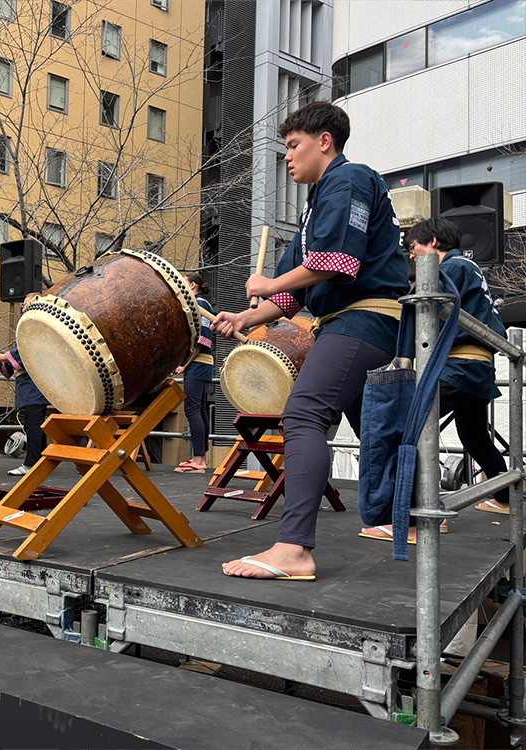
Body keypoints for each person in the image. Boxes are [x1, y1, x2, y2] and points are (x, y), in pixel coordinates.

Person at [212, 101, 409, 580]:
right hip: (348, 320)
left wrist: (265, 287)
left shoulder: (349, 179)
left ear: (325, 141)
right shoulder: (317, 204)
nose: (287, 157)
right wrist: (246, 315)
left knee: (303, 414)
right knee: (377, 432)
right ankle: (406, 519)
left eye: (294, 145)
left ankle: (295, 547)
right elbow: (292, 296)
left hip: (364, 319)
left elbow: (338, 264)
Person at [359, 218, 509, 543]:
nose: (412, 256)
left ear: (433, 241)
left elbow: (421, 314)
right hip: (477, 369)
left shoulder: (450, 269)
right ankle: (506, 498)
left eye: (413, 248)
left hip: (458, 367)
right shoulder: (468, 268)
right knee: (475, 437)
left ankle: (421, 516)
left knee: (409, 427)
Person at [0, 293, 50, 476]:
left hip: (35, 382)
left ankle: (31, 464)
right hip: (28, 382)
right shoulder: (29, 324)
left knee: (34, 424)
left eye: (26, 304)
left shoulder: (39, 324)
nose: (23, 307)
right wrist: (1, 362)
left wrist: (4, 356)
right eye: (23, 305)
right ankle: (40, 462)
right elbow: (18, 356)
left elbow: (29, 349)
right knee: (34, 424)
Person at [174, 272, 214, 473]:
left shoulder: (200, 304)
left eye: (183, 282)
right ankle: (200, 458)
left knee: (192, 408)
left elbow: (203, 339)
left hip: (198, 363)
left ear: (191, 286)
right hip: (200, 364)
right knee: (199, 409)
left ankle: (198, 459)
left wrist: (184, 364)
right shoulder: (198, 304)